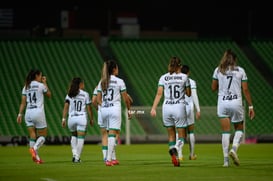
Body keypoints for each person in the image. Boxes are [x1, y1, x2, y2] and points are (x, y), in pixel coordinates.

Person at [211, 49, 255, 167]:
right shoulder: (240, 70)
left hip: (223, 103)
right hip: (236, 102)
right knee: (239, 128)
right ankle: (234, 149)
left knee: (225, 131)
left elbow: (213, 88)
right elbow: (245, 90)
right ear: (234, 60)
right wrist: (250, 106)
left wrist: (222, 83)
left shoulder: (218, 70)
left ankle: (225, 161)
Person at [150, 56, 191, 167]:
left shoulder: (163, 78)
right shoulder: (184, 77)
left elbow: (159, 94)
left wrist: (153, 108)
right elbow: (188, 93)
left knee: (171, 135)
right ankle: (176, 148)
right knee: (182, 135)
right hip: (179, 107)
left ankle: (175, 158)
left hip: (166, 107)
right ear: (179, 66)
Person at [97, 59, 132, 166]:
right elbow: (126, 99)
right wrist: (129, 110)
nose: (118, 69)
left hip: (104, 110)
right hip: (114, 109)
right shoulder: (119, 81)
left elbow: (98, 99)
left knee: (108, 134)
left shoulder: (102, 81)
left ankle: (112, 157)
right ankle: (108, 159)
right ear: (113, 69)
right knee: (113, 134)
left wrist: (104, 106)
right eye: (117, 67)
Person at [17, 69, 52, 164]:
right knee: (43, 135)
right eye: (40, 76)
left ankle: (36, 158)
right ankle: (34, 149)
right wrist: (45, 83)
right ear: (37, 76)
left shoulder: (26, 86)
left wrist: (20, 114)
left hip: (28, 113)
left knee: (32, 135)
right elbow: (49, 94)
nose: (41, 77)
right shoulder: (41, 85)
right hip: (38, 112)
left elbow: (23, 103)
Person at [92, 86, 133, 162]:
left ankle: (106, 157)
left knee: (105, 135)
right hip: (112, 111)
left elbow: (94, 101)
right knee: (115, 133)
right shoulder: (116, 84)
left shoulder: (99, 86)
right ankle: (111, 157)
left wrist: (98, 109)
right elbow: (127, 97)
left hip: (102, 112)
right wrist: (129, 101)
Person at [61, 77, 94, 163]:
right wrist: (91, 119)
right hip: (81, 118)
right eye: (83, 83)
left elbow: (65, 107)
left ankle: (74, 154)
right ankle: (77, 157)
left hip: (71, 118)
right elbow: (89, 108)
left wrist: (63, 119)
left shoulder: (69, 94)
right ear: (80, 84)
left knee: (74, 135)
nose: (84, 85)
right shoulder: (85, 94)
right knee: (81, 137)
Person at [177, 65, 201, 161]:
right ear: (188, 72)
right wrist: (198, 109)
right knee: (191, 132)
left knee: (179, 132)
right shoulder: (191, 82)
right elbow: (194, 96)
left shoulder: (177, 80)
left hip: (179, 107)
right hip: (189, 108)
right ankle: (191, 154)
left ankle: (180, 155)